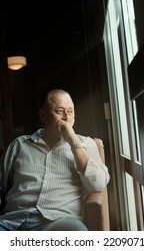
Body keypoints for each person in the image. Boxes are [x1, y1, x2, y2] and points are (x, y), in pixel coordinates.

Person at [0, 89, 110, 231]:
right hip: (12, 221)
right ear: (43, 115)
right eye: (60, 111)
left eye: (70, 111)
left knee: (77, 232)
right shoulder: (20, 144)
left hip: (56, 222)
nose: (66, 117)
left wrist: (73, 141)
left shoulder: (86, 144)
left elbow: (98, 184)